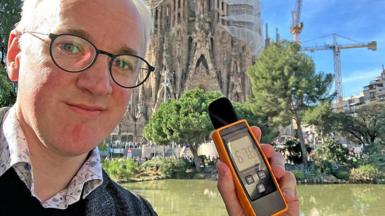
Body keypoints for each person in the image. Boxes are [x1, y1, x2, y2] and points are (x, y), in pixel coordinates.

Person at [0, 0, 299, 215]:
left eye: (124, 63)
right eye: (71, 46)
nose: (98, 83)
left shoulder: (136, 211)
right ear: (14, 55)